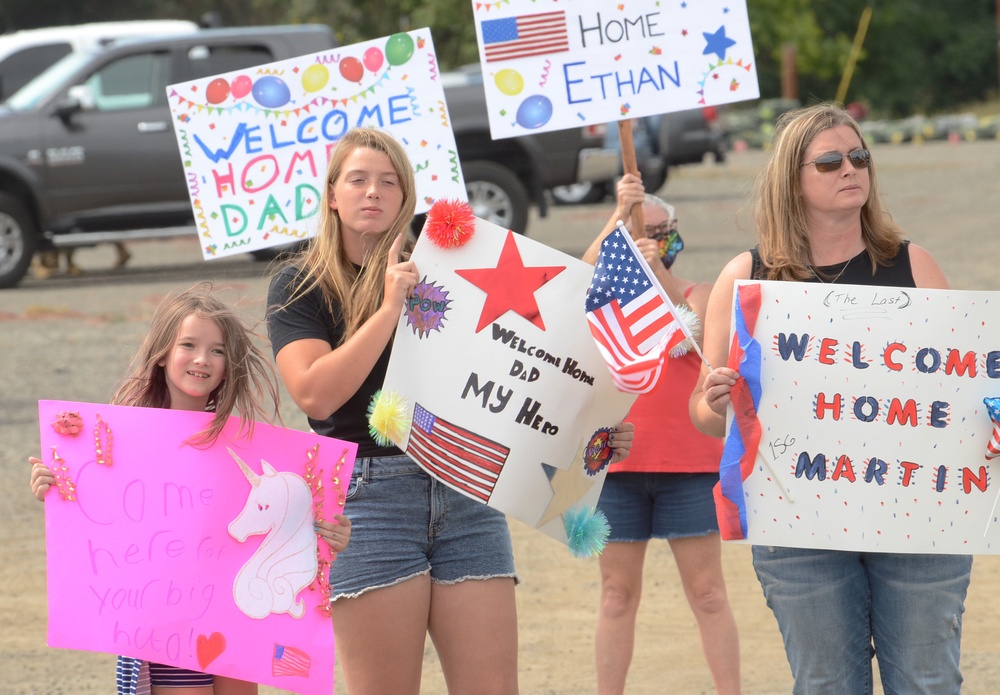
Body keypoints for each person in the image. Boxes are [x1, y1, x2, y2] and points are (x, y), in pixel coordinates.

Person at [265, 127, 635, 695]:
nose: (373, 192)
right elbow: (316, 394)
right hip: (368, 502)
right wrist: (390, 308)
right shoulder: (300, 283)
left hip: (464, 486)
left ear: (407, 197)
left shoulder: (447, 263)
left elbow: (541, 333)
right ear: (332, 194)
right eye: (358, 180)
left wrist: (597, 424)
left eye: (389, 182)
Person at [689, 103, 972, 694]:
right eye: (830, 161)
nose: (852, 169)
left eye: (860, 156)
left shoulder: (913, 265)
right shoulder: (747, 277)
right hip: (798, 524)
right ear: (791, 180)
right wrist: (716, 400)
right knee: (826, 686)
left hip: (916, 520)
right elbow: (704, 416)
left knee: (928, 682)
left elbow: (960, 385)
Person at [29, 283, 352, 695]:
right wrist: (55, 489)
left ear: (227, 365)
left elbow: (284, 527)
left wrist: (331, 535)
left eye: (217, 350)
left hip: (235, 626)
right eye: (189, 345)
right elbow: (99, 517)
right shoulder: (119, 443)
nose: (203, 359)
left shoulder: (248, 450)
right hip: (167, 634)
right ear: (163, 353)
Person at [582, 174, 741, 695]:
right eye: (639, 232)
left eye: (661, 231)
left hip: (690, 468)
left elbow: (695, 330)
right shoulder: (605, 302)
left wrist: (657, 273)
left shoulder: (699, 292)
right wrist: (617, 222)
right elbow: (570, 283)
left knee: (709, 593)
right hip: (618, 466)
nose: (652, 241)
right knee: (616, 595)